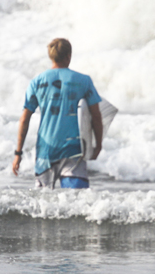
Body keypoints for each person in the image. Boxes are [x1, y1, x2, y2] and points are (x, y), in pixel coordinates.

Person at [12, 38, 103, 189]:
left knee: (43, 206)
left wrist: (18, 153)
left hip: (45, 151)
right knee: (76, 201)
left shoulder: (36, 82)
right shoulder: (84, 81)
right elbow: (96, 116)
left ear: (51, 57)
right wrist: (97, 145)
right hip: (73, 150)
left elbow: (24, 120)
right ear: (69, 56)